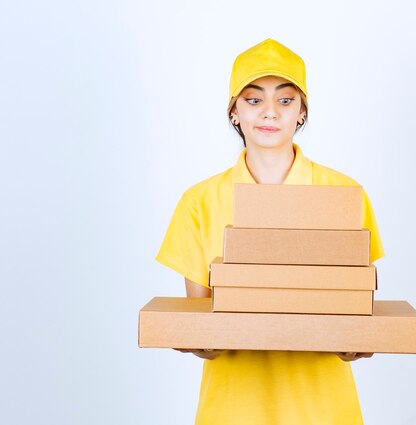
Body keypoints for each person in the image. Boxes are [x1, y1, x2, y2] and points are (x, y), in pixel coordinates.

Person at [156, 38, 385, 425]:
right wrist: (194, 339)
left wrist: (356, 341)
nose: (269, 113)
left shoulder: (345, 195)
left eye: (284, 100)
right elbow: (200, 324)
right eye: (253, 99)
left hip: (323, 407)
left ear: (301, 112)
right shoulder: (199, 201)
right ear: (234, 112)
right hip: (233, 407)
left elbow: (356, 311)